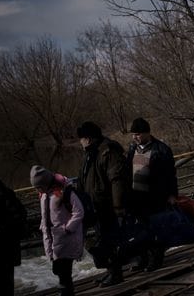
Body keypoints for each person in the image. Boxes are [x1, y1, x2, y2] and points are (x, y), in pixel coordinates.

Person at [76, 121, 129, 287]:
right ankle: (110, 271)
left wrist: (118, 206)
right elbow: (85, 179)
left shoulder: (108, 151)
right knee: (102, 240)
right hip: (96, 206)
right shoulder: (92, 152)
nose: (80, 142)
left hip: (108, 205)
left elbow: (117, 180)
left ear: (89, 139)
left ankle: (116, 274)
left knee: (110, 240)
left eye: (82, 138)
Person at [127, 117, 178, 272]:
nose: (135, 137)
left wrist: (172, 195)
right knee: (140, 230)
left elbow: (171, 175)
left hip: (156, 196)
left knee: (156, 228)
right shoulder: (132, 149)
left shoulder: (161, 149)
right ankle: (142, 259)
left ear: (146, 133)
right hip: (137, 197)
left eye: (137, 134)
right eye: (133, 134)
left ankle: (155, 259)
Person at [31, 166, 84, 296]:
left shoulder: (63, 192)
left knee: (64, 273)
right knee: (58, 270)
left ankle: (66, 292)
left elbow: (79, 211)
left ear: (46, 183)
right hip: (53, 239)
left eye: (39, 187)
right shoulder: (43, 195)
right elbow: (46, 215)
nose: (37, 190)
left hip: (66, 238)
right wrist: (43, 226)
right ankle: (65, 291)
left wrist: (68, 228)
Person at [0, 179, 27, 296]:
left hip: (5, 245)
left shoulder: (4, 195)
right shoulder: (7, 192)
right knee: (7, 282)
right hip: (10, 247)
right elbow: (22, 213)